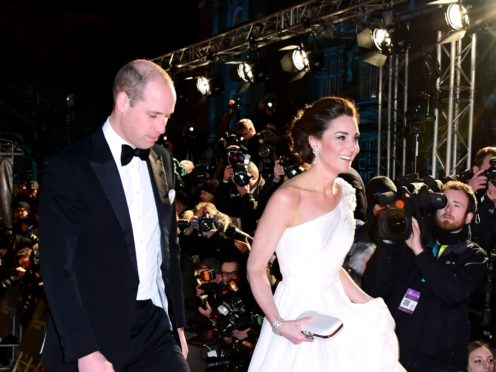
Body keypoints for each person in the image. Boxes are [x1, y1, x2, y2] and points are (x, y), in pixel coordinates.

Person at [39, 59, 190, 372]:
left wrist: (179, 324)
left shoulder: (161, 160)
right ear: (123, 100)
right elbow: (58, 268)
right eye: (153, 115)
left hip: (153, 326)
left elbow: (169, 248)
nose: (162, 128)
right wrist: (85, 351)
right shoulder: (70, 168)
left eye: (167, 117)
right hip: (94, 328)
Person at [246, 96, 405, 371]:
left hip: (337, 312)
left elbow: (331, 266)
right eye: (341, 137)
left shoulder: (345, 192)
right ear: (315, 142)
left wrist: (367, 302)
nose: (352, 147)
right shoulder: (287, 198)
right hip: (298, 312)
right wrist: (279, 323)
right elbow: (256, 267)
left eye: (354, 138)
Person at [362, 180, 488, 371]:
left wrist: (420, 252)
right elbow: (373, 290)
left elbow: (454, 293)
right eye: (444, 202)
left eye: (457, 205)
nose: (448, 209)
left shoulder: (475, 256)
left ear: (469, 216)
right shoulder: (411, 240)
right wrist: (387, 244)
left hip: (441, 364)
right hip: (395, 357)